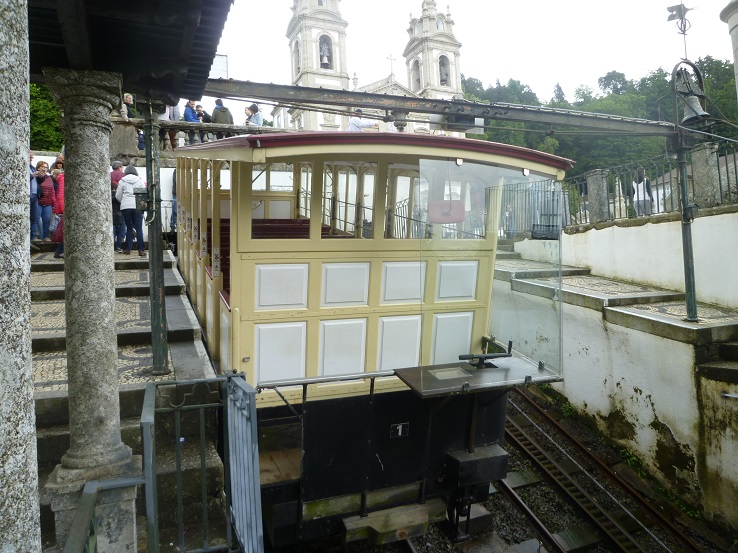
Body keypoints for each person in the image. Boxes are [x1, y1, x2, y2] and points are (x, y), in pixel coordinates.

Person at [116, 165, 147, 257]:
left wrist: (124, 201)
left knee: (129, 228)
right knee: (138, 228)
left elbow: (118, 196)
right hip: (137, 206)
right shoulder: (139, 181)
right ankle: (141, 250)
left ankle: (128, 249)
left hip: (126, 207)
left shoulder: (122, 181)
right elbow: (142, 195)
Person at [36, 160, 57, 241]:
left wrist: (54, 203)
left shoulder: (49, 178)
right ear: (38, 168)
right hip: (38, 202)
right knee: (37, 220)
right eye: (43, 167)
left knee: (47, 220)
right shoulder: (36, 177)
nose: (45, 169)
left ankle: (45, 236)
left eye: (46, 167)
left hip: (48, 203)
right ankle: (36, 237)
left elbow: (52, 191)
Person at [111, 161, 126, 253]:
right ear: (120, 167)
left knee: (112, 227)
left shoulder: (108, 174)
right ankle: (119, 246)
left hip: (110, 202)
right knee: (121, 227)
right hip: (120, 202)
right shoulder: (122, 175)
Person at [52, 168, 65, 258]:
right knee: (64, 231)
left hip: (63, 208)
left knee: (64, 231)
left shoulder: (60, 179)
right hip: (64, 209)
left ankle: (59, 251)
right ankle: (59, 251)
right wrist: (62, 210)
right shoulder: (63, 180)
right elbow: (61, 196)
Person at [29, 152, 41, 246]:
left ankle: (33, 237)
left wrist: (41, 177)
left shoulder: (32, 167)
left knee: (34, 217)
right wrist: (32, 175)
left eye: (32, 157)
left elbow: (38, 181)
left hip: (35, 195)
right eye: (30, 156)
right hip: (28, 195)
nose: (31, 158)